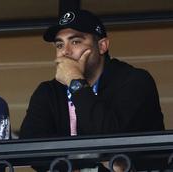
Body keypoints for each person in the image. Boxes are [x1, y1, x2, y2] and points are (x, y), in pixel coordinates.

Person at [19, 9, 164, 171]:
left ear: (102, 46)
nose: (65, 51)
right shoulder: (47, 92)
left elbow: (114, 142)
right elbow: (30, 149)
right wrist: (82, 159)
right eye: (59, 44)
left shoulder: (135, 81)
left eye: (75, 42)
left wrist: (75, 82)